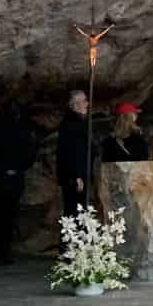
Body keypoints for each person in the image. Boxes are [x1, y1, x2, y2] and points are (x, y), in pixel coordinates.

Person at [0, 101, 39, 262]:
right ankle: (1, 253)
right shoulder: (23, 130)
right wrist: (19, 167)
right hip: (15, 177)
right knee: (8, 216)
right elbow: (30, 154)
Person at [56, 90, 93, 218]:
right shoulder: (71, 124)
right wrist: (77, 176)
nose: (87, 103)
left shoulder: (78, 122)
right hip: (74, 176)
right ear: (75, 105)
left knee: (79, 211)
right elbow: (70, 152)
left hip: (79, 174)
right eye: (84, 101)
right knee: (74, 211)